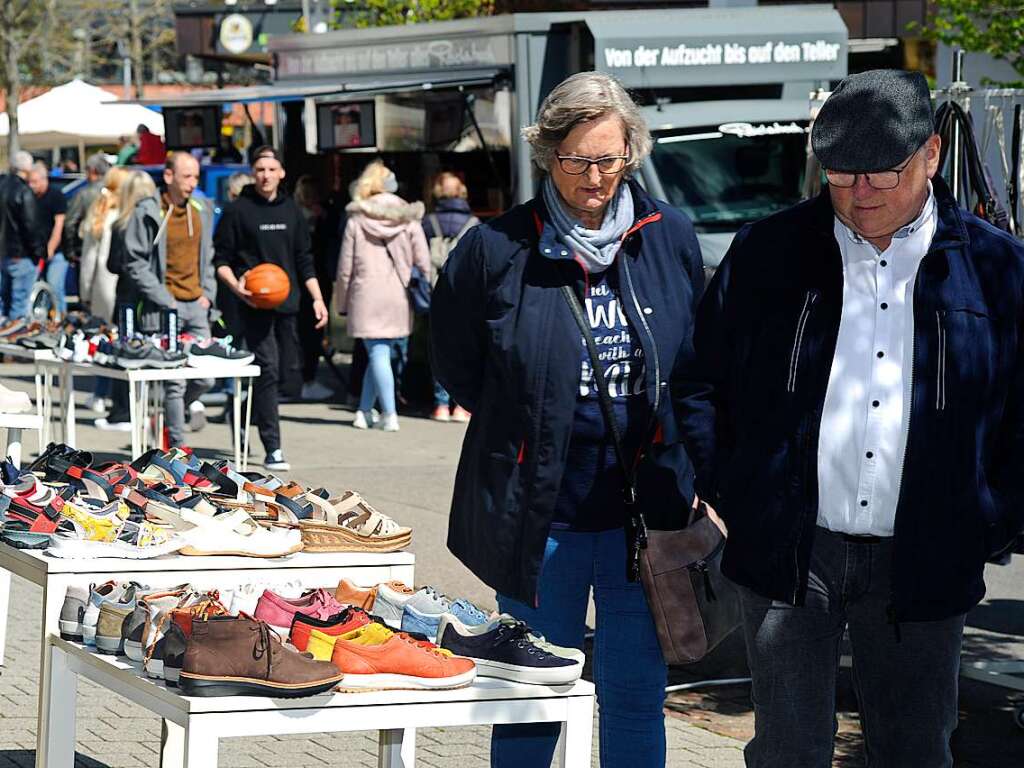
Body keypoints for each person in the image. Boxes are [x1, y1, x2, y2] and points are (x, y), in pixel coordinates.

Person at [692, 69, 1024, 767]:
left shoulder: (997, 270)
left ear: (931, 155)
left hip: (926, 556)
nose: (859, 193)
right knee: (788, 751)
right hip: (790, 549)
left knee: (914, 750)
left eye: (880, 173)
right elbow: (701, 380)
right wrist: (738, 496)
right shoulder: (769, 252)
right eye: (840, 174)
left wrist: (987, 517)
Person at [431, 72, 712, 767]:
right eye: (575, 160)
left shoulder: (668, 236)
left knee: (636, 692)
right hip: (538, 515)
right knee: (531, 696)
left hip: (644, 518)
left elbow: (700, 363)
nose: (593, 176)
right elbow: (455, 361)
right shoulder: (495, 250)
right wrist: (524, 423)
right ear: (546, 155)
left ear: (631, 154)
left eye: (608, 159)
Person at [214, 146, 328, 471]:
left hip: (287, 303)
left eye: (271, 169)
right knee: (269, 369)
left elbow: (304, 260)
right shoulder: (238, 210)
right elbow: (220, 260)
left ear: (282, 173)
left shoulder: (291, 210)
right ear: (253, 172)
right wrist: (239, 288)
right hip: (252, 304)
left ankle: (238, 409)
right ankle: (273, 447)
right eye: (260, 169)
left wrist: (318, 298)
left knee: (286, 372)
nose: (265, 175)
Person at [335, 161, 430, 433]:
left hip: (366, 294)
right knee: (380, 352)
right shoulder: (408, 217)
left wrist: (341, 302)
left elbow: (345, 268)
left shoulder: (357, 219)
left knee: (376, 353)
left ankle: (389, 413)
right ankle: (364, 411)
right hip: (397, 293)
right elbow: (422, 262)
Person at [157, 152, 218, 447]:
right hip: (167, 304)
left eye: (196, 176)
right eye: (187, 176)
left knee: (206, 376)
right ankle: (177, 448)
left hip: (196, 303)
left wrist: (208, 292)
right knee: (175, 382)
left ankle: (172, 417)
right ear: (169, 176)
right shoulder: (154, 210)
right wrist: (161, 297)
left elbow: (208, 256)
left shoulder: (201, 209)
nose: (193, 183)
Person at [97, 170, 161, 431]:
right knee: (151, 352)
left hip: (128, 296)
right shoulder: (158, 220)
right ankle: (144, 411)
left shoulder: (121, 223)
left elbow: (113, 265)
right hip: (153, 294)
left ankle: (123, 410)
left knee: (125, 353)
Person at [422, 171, 477, 423]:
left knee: (440, 348)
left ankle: (440, 404)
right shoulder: (474, 224)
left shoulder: (428, 222)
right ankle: (462, 406)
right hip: (466, 294)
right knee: (466, 348)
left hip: (435, 291)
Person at [80, 166, 130, 416]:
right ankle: (107, 397)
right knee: (117, 342)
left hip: (101, 287)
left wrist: (85, 292)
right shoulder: (124, 214)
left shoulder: (98, 212)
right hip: (119, 286)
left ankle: (100, 393)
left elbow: (88, 260)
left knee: (104, 341)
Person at [293, 174, 335, 401]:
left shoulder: (299, 216)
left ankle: (303, 378)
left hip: (307, 280)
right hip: (313, 279)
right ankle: (305, 378)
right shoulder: (302, 218)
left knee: (306, 332)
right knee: (309, 333)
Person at [0, 151, 46, 320]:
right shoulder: (23, 191)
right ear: (27, 168)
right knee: (19, 305)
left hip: (4, 253)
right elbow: (31, 226)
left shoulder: (3, 185)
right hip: (20, 254)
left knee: (2, 302)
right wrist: (40, 252)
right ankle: (12, 340)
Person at [27, 162, 69, 314]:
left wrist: (50, 249)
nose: (31, 185)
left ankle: (60, 319)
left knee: (55, 287)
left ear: (44, 179)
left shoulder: (56, 196)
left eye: (35, 182)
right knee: (34, 290)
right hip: (35, 252)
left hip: (56, 252)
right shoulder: (28, 197)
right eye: (29, 181)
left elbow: (59, 226)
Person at [63, 152, 112, 270]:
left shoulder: (83, 194)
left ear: (92, 170)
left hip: (88, 250)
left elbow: (69, 223)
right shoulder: (116, 192)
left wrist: (70, 252)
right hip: (112, 250)